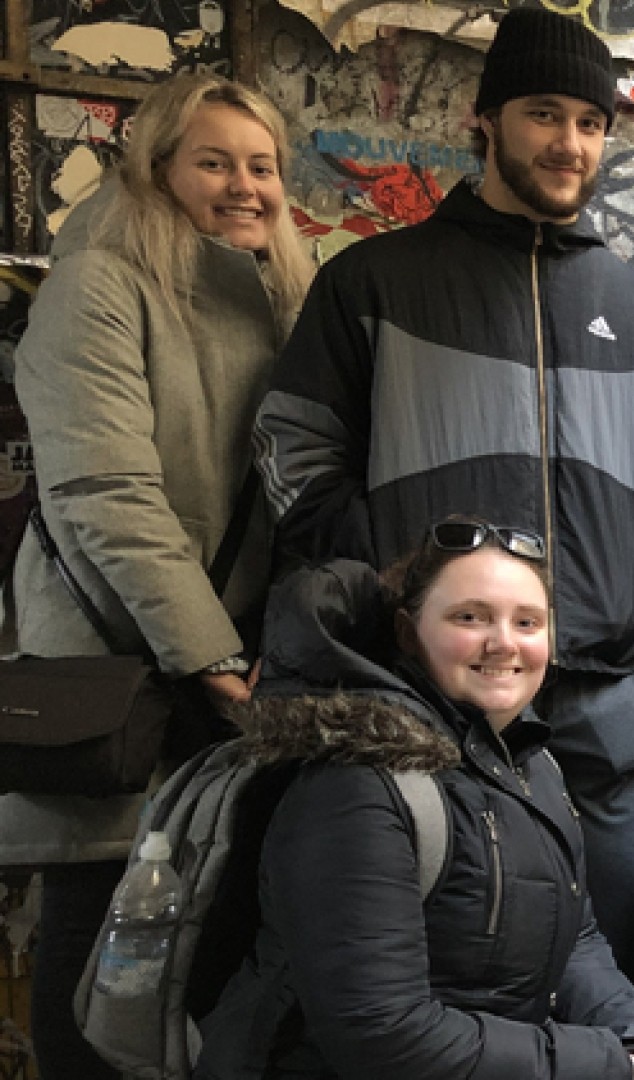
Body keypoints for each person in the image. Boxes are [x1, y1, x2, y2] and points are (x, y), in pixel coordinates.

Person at [252, 7, 634, 986]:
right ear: (487, 119)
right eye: (543, 114)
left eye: (589, 123)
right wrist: (385, 575)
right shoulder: (376, 283)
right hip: (425, 703)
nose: (569, 143)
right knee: (446, 969)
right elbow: (293, 446)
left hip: (607, 701)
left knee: (615, 961)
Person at [0, 73, 313, 1079]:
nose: (245, 186)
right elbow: (106, 495)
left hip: (229, 673)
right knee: (101, 939)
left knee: (198, 946)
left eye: (262, 165)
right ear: (159, 168)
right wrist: (213, 657)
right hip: (123, 667)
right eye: (214, 162)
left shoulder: (279, 301)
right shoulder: (100, 285)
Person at [194, 520, 634, 1079]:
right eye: (470, 617)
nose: (504, 642)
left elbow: (578, 943)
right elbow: (380, 1033)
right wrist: (608, 1065)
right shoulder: (355, 783)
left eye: (527, 622)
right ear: (408, 633)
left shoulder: (533, 767)